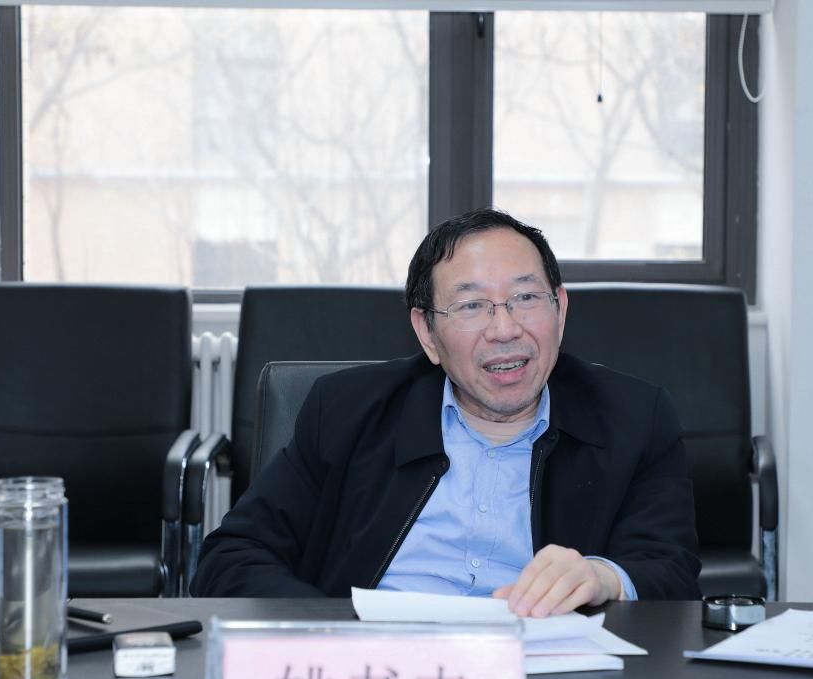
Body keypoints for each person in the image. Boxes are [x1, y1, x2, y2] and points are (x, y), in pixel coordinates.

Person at [190, 208, 701, 613]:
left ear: (560, 310)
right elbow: (231, 558)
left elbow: (671, 569)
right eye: (471, 306)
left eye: (526, 297)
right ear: (427, 333)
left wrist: (604, 577)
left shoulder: (634, 418)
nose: (505, 329)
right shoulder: (348, 412)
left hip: (545, 676)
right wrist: (335, 633)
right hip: (379, 672)